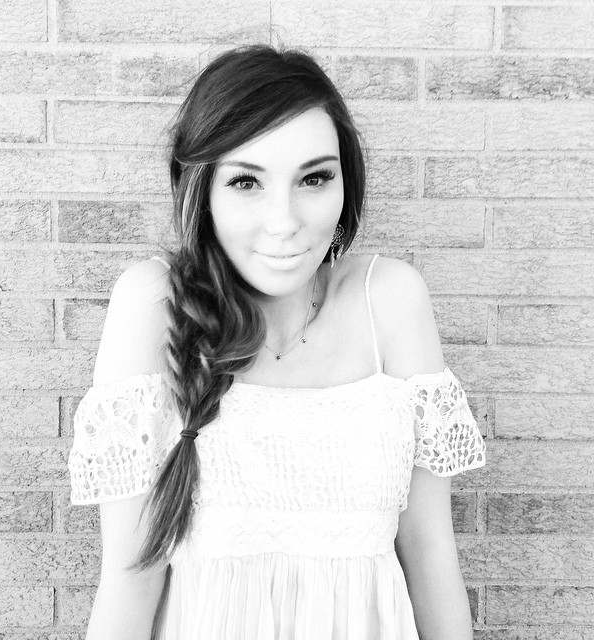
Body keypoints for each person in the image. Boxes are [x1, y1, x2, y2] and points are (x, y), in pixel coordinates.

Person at [67, 43, 487, 640]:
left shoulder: (390, 300)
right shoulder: (154, 305)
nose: (285, 221)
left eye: (314, 178)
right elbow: (129, 579)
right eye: (246, 182)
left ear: (346, 185)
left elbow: (430, 553)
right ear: (202, 192)